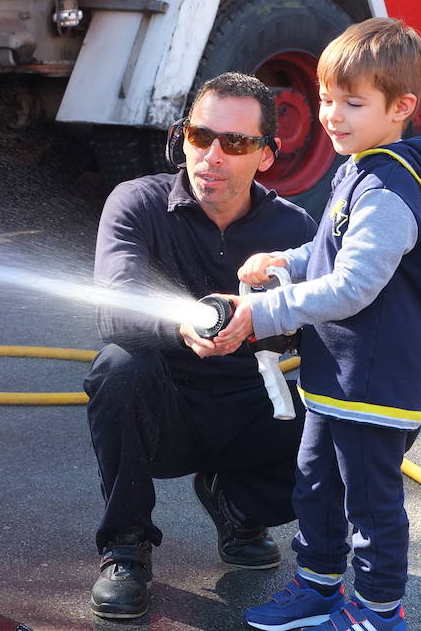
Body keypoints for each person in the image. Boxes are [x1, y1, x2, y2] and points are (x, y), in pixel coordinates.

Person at [236, 18, 421, 631]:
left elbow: (356, 285)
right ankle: (318, 588)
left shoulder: (388, 186)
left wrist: (264, 312)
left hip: (373, 384)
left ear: (402, 107)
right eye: (327, 99)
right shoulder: (359, 167)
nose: (332, 115)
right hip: (335, 377)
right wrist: (287, 261)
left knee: (368, 503)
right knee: (316, 485)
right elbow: (333, 254)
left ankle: (379, 612)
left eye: (353, 103)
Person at [83, 72, 317, 619]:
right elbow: (112, 308)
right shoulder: (136, 203)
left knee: (377, 410)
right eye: (199, 136)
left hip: (254, 407)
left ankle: (238, 503)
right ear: (180, 137)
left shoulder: (295, 228)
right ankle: (126, 547)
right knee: (117, 368)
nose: (211, 155)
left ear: (265, 155)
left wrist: (260, 319)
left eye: (234, 143)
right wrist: (180, 327)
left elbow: (332, 325)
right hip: (166, 411)